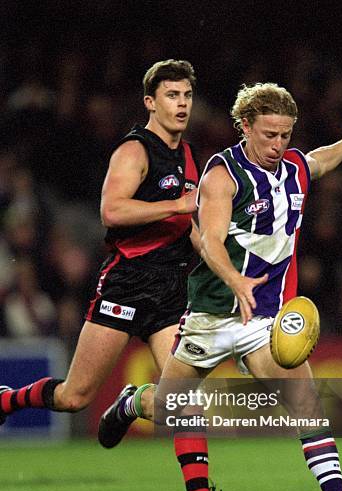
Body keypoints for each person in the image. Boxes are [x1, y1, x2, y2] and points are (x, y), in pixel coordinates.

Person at [100, 82, 342, 491]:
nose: (278, 145)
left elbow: (319, 160)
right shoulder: (222, 175)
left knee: (308, 409)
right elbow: (209, 239)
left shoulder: (293, 167)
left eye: (286, 135)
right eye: (269, 134)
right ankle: (133, 402)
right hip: (211, 317)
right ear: (245, 126)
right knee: (171, 407)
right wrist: (234, 280)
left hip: (265, 321)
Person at [0, 60, 200, 427]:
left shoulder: (187, 155)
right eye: (172, 95)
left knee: (183, 402)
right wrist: (176, 204)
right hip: (127, 283)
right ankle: (8, 399)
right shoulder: (135, 151)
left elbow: (188, 225)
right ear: (150, 102)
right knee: (74, 396)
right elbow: (112, 210)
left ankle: (197, 484)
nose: (182, 103)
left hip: (171, 288)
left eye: (187, 95)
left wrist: (226, 271)